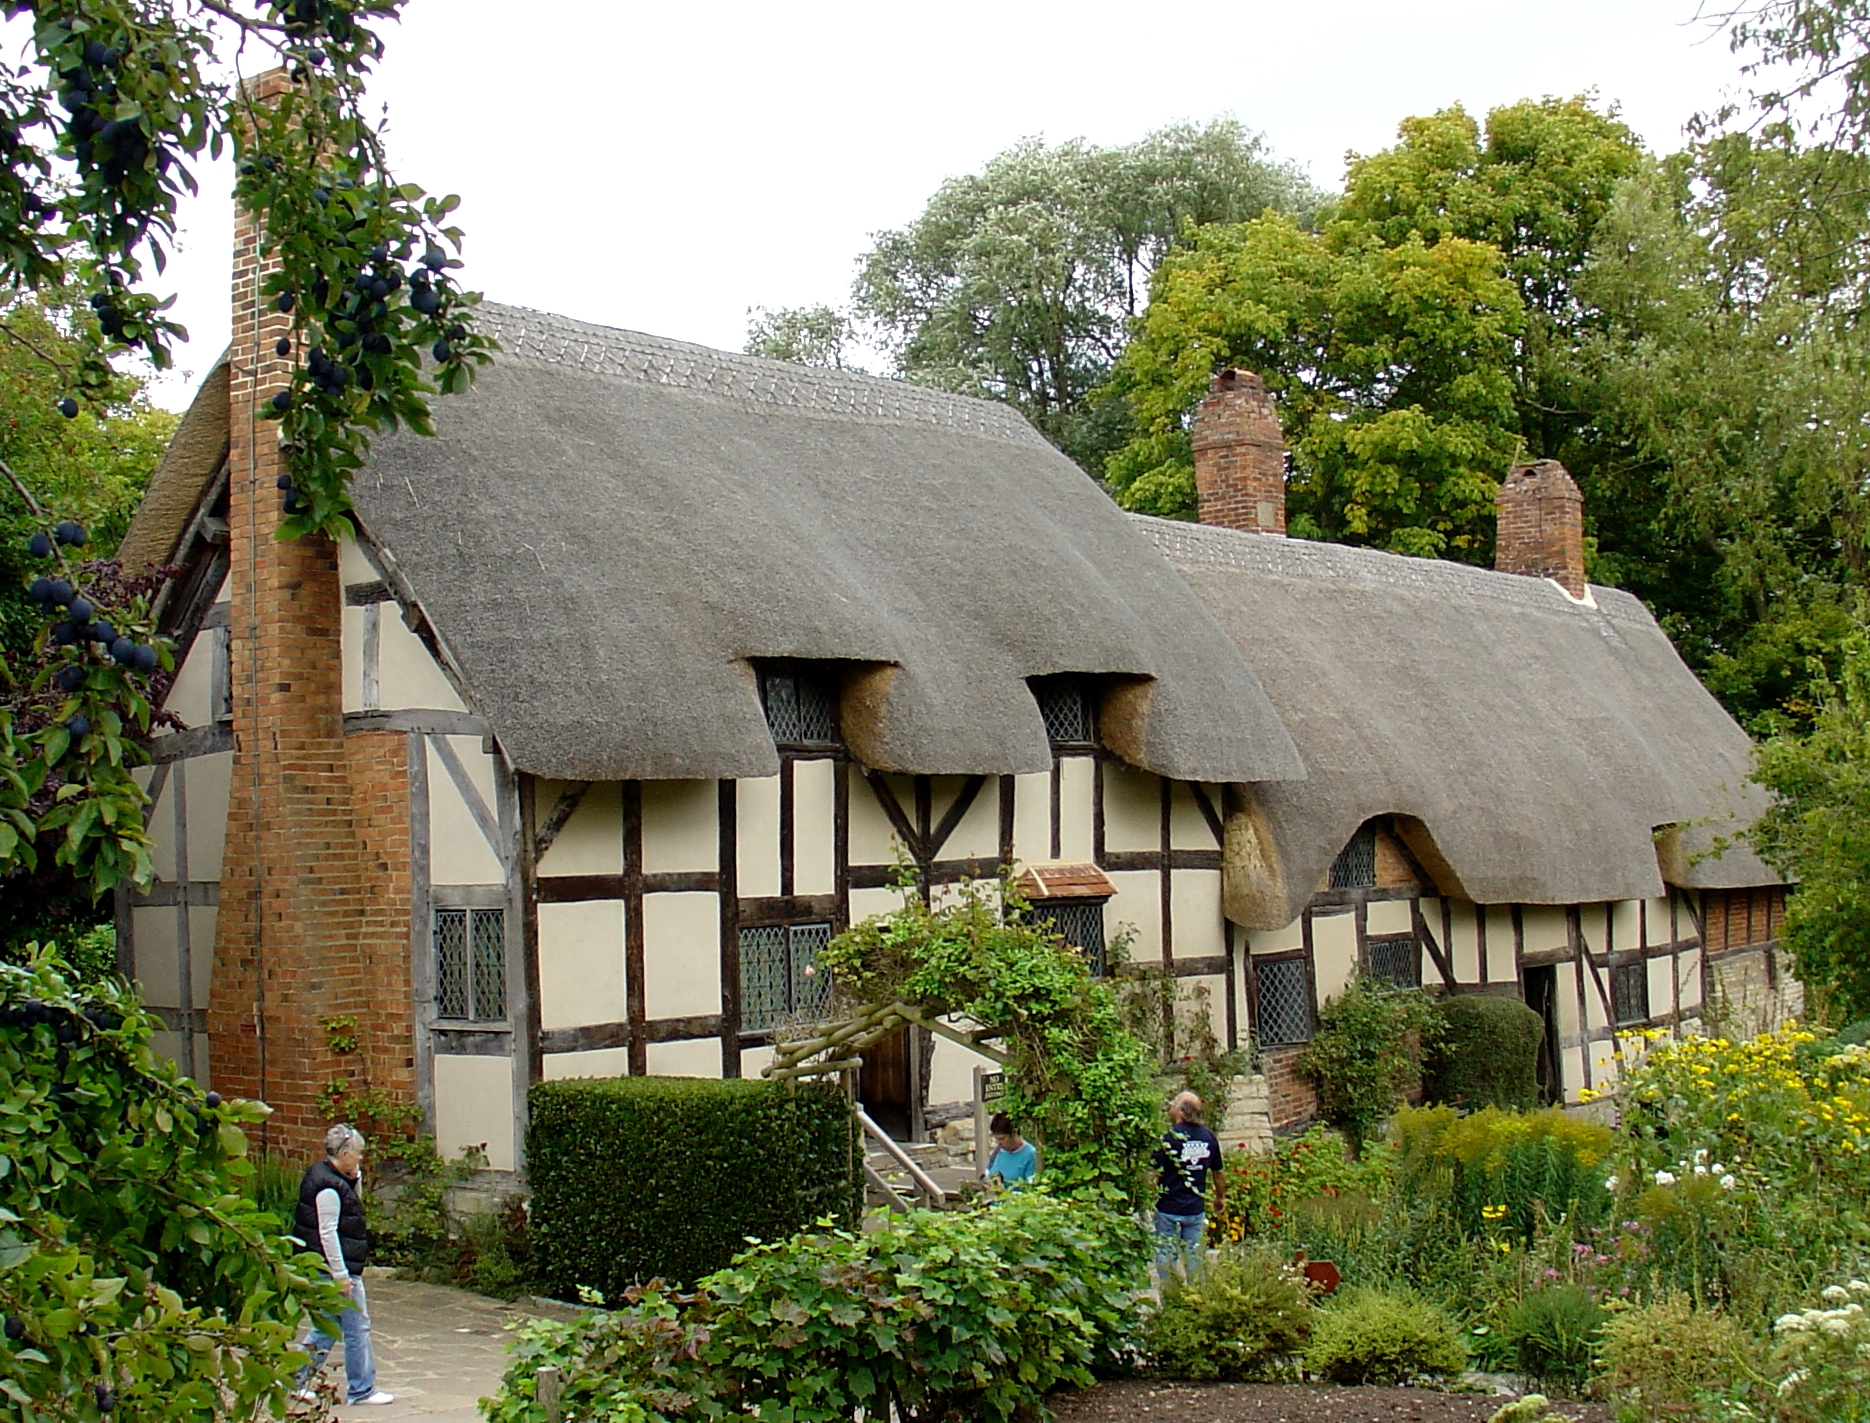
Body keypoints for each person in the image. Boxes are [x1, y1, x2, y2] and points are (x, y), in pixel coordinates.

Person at [292, 1125, 394, 1406]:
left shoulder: (331, 1176)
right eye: (358, 1155)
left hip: (327, 1266)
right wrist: (340, 1274)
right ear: (345, 1153)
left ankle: (295, 1378)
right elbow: (327, 1233)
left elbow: (354, 1202)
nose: (360, 1159)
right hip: (335, 1268)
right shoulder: (328, 1188)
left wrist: (355, 1177)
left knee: (327, 1326)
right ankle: (361, 1388)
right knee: (357, 1327)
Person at [1151, 1091, 1220, 1282]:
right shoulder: (1208, 1137)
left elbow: (1153, 1170)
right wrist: (1220, 1197)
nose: (1170, 1106)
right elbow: (1218, 1171)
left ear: (1181, 1110)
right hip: (1194, 1207)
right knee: (1194, 1256)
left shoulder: (1168, 1138)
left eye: (1174, 1103)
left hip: (1167, 1206)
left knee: (1165, 1254)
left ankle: (1171, 1296)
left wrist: (1149, 1198)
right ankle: (1196, 1299)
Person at [985, 1112, 1038, 1187]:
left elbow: (1031, 1189)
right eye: (997, 1139)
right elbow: (987, 1173)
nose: (999, 1143)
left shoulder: (1030, 1155)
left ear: (1014, 1132)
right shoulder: (998, 1151)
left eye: (1002, 1139)